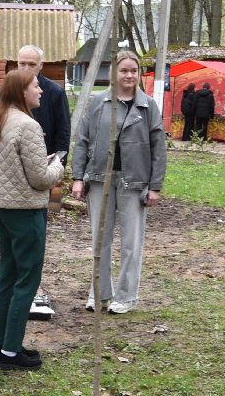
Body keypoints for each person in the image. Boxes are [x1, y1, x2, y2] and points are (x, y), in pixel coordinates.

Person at [0, 68, 65, 370]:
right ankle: (11, 352)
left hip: (2, 209)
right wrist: (57, 165)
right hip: (26, 211)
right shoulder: (28, 125)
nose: (40, 90)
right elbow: (41, 179)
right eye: (35, 86)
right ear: (22, 92)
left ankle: (5, 346)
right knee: (26, 280)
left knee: (7, 276)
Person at [69, 50, 165, 314]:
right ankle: (99, 294)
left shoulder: (147, 106)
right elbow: (83, 141)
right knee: (101, 239)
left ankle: (126, 296)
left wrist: (154, 186)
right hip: (100, 179)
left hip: (134, 183)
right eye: (123, 70)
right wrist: (78, 177)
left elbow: (159, 148)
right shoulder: (98, 103)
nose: (129, 75)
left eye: (133, 71)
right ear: (114, 73)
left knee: (132, 242)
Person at [15, 44, 70, 159]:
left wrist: (59, 163)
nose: (26, 68)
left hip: (44, 160)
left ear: (41, 65)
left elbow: (63, 132)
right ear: (17, 63)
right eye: (22, 63)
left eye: (32, 64)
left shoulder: (55, 92)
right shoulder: (8, 90)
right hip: (13, 161)